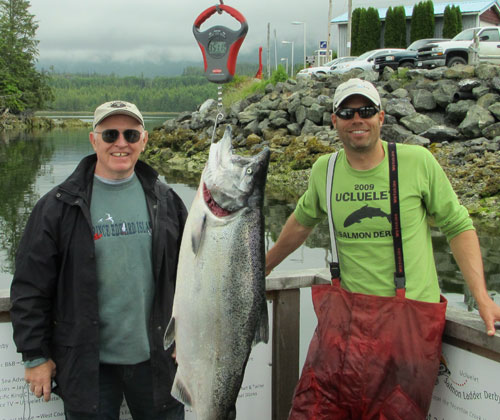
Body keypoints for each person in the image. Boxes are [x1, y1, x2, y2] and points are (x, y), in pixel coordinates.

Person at [265, 78, 500, 419]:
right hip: (341, 329)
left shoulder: (417, 162)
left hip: (408, 329)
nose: (356, 119)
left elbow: (459, 226)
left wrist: (482, 298)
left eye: (366, 111)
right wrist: (263, 267)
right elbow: (301, 223)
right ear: (334, 121)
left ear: (381, 117)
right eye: (347, 112)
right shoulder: (324, 171)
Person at [10, 100, 188, 420]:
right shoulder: (58, 207)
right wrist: (35, 356)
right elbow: (29, 287)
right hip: (88, 366)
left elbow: (191, 279)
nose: (121, 143)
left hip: (158, 363)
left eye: (131, 135)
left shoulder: (167, 201)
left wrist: (188, 336)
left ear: (144, 140)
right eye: (110, 135)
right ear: (93, 140)